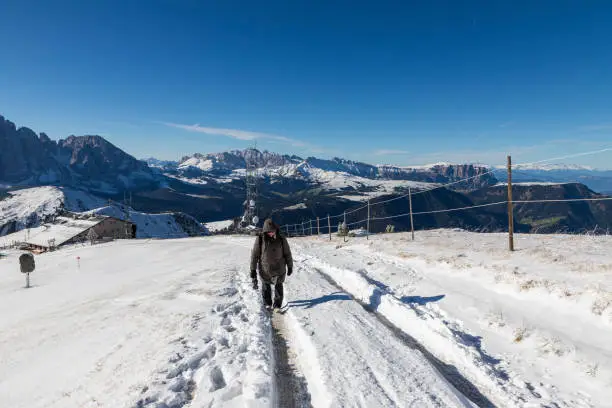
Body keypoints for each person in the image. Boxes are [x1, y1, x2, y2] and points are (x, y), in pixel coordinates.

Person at [250, 218, 293, 310]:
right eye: (268, 232)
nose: (271, 233)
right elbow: (254, 255)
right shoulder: (260, 239)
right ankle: (267, 303)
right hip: (265, 268)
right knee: (266, 286)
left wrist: (290, 266)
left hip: (279, 268)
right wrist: (252, 269)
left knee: (278, 286)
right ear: (265, 231)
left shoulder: (281, 238)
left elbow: (287, 253)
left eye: (272, 231)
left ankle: (277, 305)